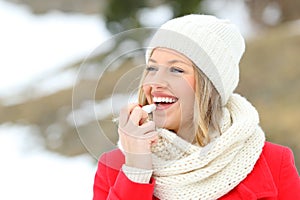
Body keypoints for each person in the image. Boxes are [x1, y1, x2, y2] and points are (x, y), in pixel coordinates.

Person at [92, 14, 300, 199]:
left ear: (210, 86)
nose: (155, 82)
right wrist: (137, 170)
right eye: (152, 67)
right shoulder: (114, 168)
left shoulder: (273, 163)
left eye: (176, 70)